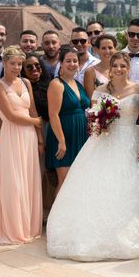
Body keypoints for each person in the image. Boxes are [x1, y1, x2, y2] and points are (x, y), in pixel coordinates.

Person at [47, 52, 139, 260]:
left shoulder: (138, 89)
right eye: (115, 66)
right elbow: (93, 120)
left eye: (122, 66)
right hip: (103, 142)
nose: (119, 69)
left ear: (128, 68)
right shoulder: (100, 91)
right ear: (110, 69)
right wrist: (99, 123)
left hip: (129, 141)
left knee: (128, 186)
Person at [0, 45, 44, 244]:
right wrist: (37, 122)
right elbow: (11, 116)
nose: (17, 67)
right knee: (14, 181)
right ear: (4, 63)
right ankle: (13, 227)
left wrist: (39, 137)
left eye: (19, 64)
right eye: (12, 63)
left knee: (28, 180)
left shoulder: (26, 82)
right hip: (12, 137)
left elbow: (33, 110)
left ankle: (28, 225)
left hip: (29, 137)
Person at [46, 47, 90, 193]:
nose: (72, 64)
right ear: (61, 63)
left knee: (77, 180)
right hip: (63, 137)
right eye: (68, 61)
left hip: (80, 136)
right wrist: (61, 141)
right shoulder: (56, 84)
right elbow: (53, 115)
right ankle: (57, 216)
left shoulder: (78, 84)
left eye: (75, 61)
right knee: (64, 181)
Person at [22, 53, 56, 214]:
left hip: (52, 128)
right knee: (37, 170)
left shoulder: (50, 84)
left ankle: (48, 207)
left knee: (50, 170)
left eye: (37, 65)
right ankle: (35, 210)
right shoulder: (23, 86)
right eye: (29, 67)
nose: (35, 69)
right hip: (33, 129)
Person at [84, 33, 117, 98]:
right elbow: (91, 99)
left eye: (110, 48)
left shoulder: (121, 69)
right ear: (97, 50)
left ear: (115, 49)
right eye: (103, 48)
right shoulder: (90, 72)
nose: (107, 51)